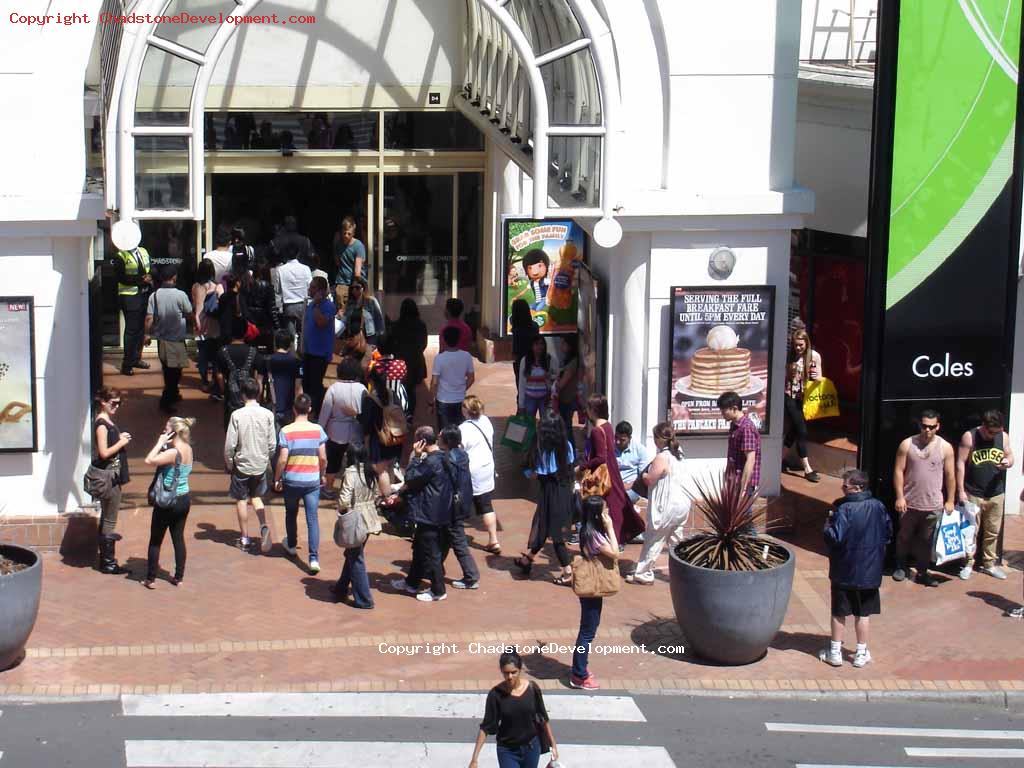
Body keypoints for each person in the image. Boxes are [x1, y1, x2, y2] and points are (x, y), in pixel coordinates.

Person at [820, 469, 892, 668]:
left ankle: (835, 652)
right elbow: (888, 532)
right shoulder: (879, 506)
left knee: (839, 612)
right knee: (863, 613)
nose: (842, 489)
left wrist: (827, 525)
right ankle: (861, 653)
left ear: (858, 487)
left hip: (844, 570)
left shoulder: (843, 509)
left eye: (845, 485)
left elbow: (834, 537)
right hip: (869, 571)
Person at [892, 408, 956, 586]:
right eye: (924, 426)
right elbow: (898, 470)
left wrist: (950, 500)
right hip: (909, 503)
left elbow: (951, 475)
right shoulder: (907, 444)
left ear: (938, 426)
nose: (927, 430)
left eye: (931, 427)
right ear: (919, 425)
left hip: (933, 505)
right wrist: (900, 496)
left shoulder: (945, 447)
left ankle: (922, 571)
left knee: (926, 541)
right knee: (904, 537)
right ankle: (900, 566)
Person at [390, 426, 454, 602]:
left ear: (422, 442)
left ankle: (438, 590)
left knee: (431, 552)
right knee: (419, 549)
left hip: (430, 513)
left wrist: (416, 457)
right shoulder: (443, 457)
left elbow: (410, 478)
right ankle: (411, 582)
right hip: (436, 510)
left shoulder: (430, 462)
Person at [514, 411, 576, 584]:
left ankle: (568, 572)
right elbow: (571, 466)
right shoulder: (567, 446)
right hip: (564, 492)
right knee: (543, 527)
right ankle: (527, 560)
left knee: (555, 534)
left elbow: (530, 473)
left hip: (548, 492)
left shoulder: (539, 448)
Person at [469, 649, 559, 768]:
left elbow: (542, 717)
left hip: (531, 748)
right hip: (507, 751)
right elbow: (486, 726)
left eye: (513, 672)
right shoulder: (496, 695)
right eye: (506, 673)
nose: (509, 677)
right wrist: (474, 759)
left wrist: (553, 744)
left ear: (520, 670)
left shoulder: (532, 689)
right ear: (502, 671)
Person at [579, 394, 646, 547]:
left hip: (603, 479)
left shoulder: (597, 430)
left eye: (588, 408)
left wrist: (582, 467)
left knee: (603, 512)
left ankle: (608, 544)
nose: (586, 411)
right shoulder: (607, 426)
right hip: (612, 475)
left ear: (593, 410)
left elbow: (601, 457)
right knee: (615, 509)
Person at [626, 422, 688, 585]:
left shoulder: (662, 457)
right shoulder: (679, 453)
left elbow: (650, 479)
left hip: (666, 506)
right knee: (676, 540)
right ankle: (683, 571)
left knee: (654, 539)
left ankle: (643, 572)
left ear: (659, 439)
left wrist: (645, 474)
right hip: (682, 504)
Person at [956, 410, 1014, 581]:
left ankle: (989, 564)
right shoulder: (970, 436)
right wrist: (960, 490)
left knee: (993, 531)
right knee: (970, 531)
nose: (993, 435)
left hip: (996, 492)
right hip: (974, 491)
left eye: (996, 432)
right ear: (983, 426)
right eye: (991, 432)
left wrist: (1008, 462)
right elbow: (960, 463)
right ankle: (967, 563)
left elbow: (1010, 455)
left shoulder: (1003, 436)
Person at [274, 393, 328, 574]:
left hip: (292, 480)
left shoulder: (286, 431)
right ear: (310, 409)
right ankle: (313, 558)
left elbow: (282, 459)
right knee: (312, 519)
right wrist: (322, 474)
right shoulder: (318, 430)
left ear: (294, 409)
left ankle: (291, 543)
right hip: (312, 480)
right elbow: (323, 457)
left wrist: (277, 478)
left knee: (291, 513)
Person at [570, 495, 619, 690]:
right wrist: (610, 528)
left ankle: (579, 669)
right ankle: (579, 674)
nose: (608, 513)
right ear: (598, 514)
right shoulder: (595, 535)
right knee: (587, 632)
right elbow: (615, 553)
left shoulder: (587, 530)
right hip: (592, 587)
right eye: (605, 510)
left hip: (592, 587)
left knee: (589, 628)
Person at [224, 377, 278, 554]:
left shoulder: (237, 415)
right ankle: (263, 525)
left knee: (241, 499)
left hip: (242, 464)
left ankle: (245, 537)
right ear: (259, 392)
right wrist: (266, 458)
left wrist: (229, 462)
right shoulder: (268, 414)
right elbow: (272, 443)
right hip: (260, 464)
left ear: (242, 394)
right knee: (256, 497)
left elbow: (230, 445)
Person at [142, 416, 195, 588]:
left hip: (167, 500)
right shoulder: (188, 449)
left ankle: (150, 578)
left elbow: (149, 460)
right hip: (184, 498)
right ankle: (179, 576)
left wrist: (159, 443)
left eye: (166, 429)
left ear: (174, 431)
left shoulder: (173, 453)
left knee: (156, 540)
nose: (164, 431)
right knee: (178, 538)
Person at [331, 444, 378, 609]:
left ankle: (364, 599)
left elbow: (344, 499)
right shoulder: (370, 471)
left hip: (355, 519)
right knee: (352, 554)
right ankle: (341, 587)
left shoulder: (350, 473)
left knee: (355, 557)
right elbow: (376, 494)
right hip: (369, 519)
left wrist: (344, 511)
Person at [91, 387, 131, 575]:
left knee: (107, 516)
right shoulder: (101, 424)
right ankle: (108, 562)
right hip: (109, 478)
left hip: (112, 476)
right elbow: (104, 452)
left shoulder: (106, 421)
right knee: (110, 518)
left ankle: (105, 559)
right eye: (113, 403)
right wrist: (121, 442)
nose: (116, 407)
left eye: (119, 403)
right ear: (103, 403)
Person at [144, 267, 192, 414]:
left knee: (168, 370)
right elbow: (189, 312)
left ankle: (173, 394)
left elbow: (149, 317)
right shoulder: (180, 295)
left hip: (162, 339)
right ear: (174, 277)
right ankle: (166, 400)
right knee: (175, 373)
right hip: (177, 339)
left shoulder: (154, 296)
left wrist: (146, 334)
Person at [439, 425, 481, 589]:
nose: (438, 438)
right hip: (462, 503)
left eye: (441, 436)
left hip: (452, 507)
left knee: (458, 541)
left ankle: (471, 576)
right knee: (444, 538)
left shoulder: (448, 459)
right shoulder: (462, 454)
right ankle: (433, 567)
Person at [319, 357, 366, 499]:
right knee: (354, 464)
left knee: (333, 461)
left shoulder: (333, 388)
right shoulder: (362, 388)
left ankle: (328, 488)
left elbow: (324, 413)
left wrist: (320, 431)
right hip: (356, 431)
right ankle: (351, 491)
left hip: (335, 432)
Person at [460, 395, 500, 554]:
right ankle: (494, 539)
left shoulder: (464, 428)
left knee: (460, 503)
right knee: (486, 505)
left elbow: (459, 449)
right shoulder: (486, 421)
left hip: (472, 470)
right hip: (487, 466)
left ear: (466, 410)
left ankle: (454, 535)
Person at [784, 329, 823, 483]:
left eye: (800, 345)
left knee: (793, 431)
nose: (798, 348)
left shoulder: (814, 356)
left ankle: (779, 459)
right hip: (790, 397)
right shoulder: (790, 356)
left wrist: (816, 377)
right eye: (795, 345)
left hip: (806, 399)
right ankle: (807, 469)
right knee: (801, 431)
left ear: (806, 343)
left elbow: (820, 377)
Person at [216, 315, 267, 429]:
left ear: (230, 331)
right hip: (250, 398)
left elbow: (219, 376)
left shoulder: (222, 351)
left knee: (231, 429)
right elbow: (259, 378)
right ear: (245, 332)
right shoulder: (254, 352)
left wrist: (225, 391)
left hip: (231, 399)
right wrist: (258, 397)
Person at [380, 298, 427, 418]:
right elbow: (423, 344)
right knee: (411, 391)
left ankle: (399, 412)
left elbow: (388, 344)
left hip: (399, 362)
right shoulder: (421, 325)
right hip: (416, 362)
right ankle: (410, 415)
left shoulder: (396, 326)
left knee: (398, 389)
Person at [360, 364, 403, 496]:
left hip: (378, 440)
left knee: (380, 470)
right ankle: (391, 496)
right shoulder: (393, 395)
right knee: (389, 466)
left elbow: (366, 425)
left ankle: (386, 499)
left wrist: (366, 445)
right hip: (395, 436)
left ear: (371, 381)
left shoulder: (369, 399)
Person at [113, 241, 153, 376]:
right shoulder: (120, 256)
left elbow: (150, 267)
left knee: (140, 329)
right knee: (131, 330)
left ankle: (136, 358)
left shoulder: (143, 251)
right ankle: (127, 364)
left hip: (144, 294)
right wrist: (141, 280)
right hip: (129, 296)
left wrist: (150, 276)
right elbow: (121, 277)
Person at [302, 275, 336, 417]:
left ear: (321, 291)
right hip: (308, 351)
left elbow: (321, 322)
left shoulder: (328, 306)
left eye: (313, 287)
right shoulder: (310, 305)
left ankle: (316, 413)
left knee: (315, 385)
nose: (310, 289)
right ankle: (310, 410)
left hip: (320, 353)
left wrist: (317, 305)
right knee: (307, 383)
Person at [191, 258, 225, 396]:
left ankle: (204, 381)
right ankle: (216, 381)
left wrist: (197, 321)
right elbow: (222, 303)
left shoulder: (196, 286)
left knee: (203, 354)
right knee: (216, 354)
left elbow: (197, 306)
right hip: (214, 323)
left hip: (201, 322)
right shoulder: (217, 286)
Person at [431, 326, 475, 429]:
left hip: (443, 400)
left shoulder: (439, 358)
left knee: (444, 433)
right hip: (460, 399)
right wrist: (462, 388)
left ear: (444, 340)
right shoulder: (466, 356)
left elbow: (434, 382)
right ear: (459, 339)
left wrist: (431, 401)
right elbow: (471, 378)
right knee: (460, 432)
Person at [718, 390, 761, 497]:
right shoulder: (735, 425)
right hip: (734, 480)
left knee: (743, 513)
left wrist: (744, 487)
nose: (722, 413)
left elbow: (750, 459)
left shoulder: (746, 427)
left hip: (742, 484)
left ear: (734, 408)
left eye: (724, 410)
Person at [276, 242, 313, 341]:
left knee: (290, 336)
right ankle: (303, 352)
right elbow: (310, 287)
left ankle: (292, 353)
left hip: (288, 305)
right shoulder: (306, 269)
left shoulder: (280, 270)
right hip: (303, 304)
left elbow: (278, 290)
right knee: (304, 333)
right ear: (298, 254)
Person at [267, 329, 303, 427]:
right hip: (289, 408)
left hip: (272, 406)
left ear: (275, 343)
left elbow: (260, 383)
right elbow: (298, 387)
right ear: (290, 344)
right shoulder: (297, 363)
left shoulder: (268, 361)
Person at [339, 277, 385, 348]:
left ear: (363, 288)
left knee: (367, 358)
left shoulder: (371, 301)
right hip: (353, 339)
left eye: (357, 287)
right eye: (352, 288)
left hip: (369, 339)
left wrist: (378, 338)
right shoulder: (349, 304)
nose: (354, 290)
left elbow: (379, 320)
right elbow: (345, 321)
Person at [517, 336, 554, 422]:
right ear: (532, 346)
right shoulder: (525, 360)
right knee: (529, 423)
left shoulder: (549, 359)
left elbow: (556, 375)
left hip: (545, 398)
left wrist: (550, 377)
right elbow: (522, 383)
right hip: (529, 398)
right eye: (536, 344)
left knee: (546, 422)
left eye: (541, 344)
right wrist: (521, 404)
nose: (539, 347)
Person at [333, 215, 367, 306]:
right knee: (356, 314)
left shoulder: (339, 245)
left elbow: (337, 262)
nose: (346, 236)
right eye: (345, 233)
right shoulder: (359, 246)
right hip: (355, 285)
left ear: (353, 232)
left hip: (342, 284)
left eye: (348, 233)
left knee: (341, 313)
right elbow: (357, 272)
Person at [247, 256, 279, 351]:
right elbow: (271, 308)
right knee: (266, 350)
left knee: (252, 350)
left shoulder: (248, 285)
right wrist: (277, 325)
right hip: (265, 324)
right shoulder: (268, 287)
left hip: (251, 322)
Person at [614, 421, 650, 504]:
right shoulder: (610, 449)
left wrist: (629, 485)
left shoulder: (640, 450)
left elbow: (642, 476)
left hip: (631, 487)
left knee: (625, 498)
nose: (617, 442)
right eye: (616, 438)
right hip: (614, 485)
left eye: (622, 440)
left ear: (630, 438)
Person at [510, 298, 539, 399]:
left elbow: (515, 348)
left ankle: (521, 408)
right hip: (534, 358)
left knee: (521, 387)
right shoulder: (535, 326)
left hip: (520, 359)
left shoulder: (516, 328)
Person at [552, 335, 579, 437]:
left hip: (567, 400)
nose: (561, 346)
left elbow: (562, 384)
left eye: (564, 343)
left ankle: (569, 450)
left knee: (566, 428)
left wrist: (554, 383)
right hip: (565, 399)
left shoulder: (572, 363)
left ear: (570, 346)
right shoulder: (568, 360)